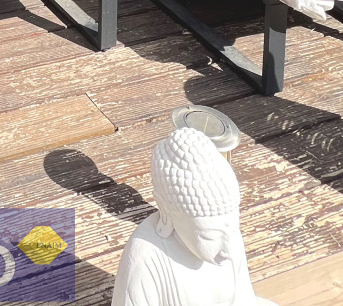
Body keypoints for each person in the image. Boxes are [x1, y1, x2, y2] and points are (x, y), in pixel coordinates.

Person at [111, 126, 273, 306]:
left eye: (234, 230)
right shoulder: (146, 258)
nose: (228, 251)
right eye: (209, 236)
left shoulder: (227, 238)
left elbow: (245, 300)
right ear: (167, 211)